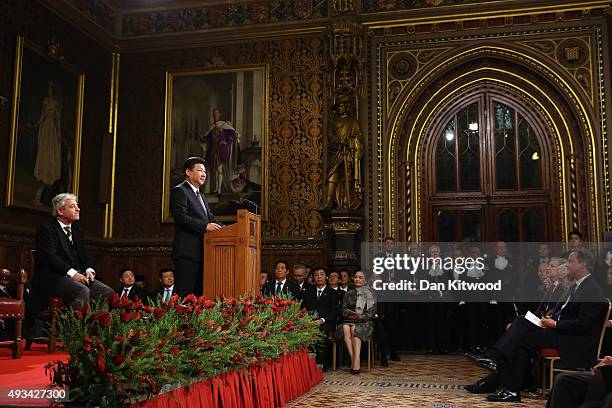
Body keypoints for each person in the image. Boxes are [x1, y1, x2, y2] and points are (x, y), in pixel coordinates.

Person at [466, 249, 607, 402]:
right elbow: (567, 313)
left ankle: (501, 368)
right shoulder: (579, 285)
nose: (567, 264)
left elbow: (584, 324)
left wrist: (556, 324)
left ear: (583, 264)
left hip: (574, 341)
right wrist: (551, 319)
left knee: (521, 340)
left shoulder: (591, 288)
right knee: (521, 325)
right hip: (562, 332)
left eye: (571, 261)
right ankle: (509, 387)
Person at [32, 193, 114, 313]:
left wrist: (88, 270)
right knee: (82, 290)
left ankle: (97, 328)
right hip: (54, 278)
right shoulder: (46, 229)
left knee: (106, 292)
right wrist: (72, 273)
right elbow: (50, 257)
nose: (78, 209)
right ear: (60, 211)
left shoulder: (77, 231)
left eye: (77, 206)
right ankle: (78, 330)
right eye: (72, 206)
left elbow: (85, 256)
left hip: (77, 277)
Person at [170, 157, 222, 297]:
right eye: (200, 170)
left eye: (205, 171)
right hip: (187, 253)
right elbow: (181, 218)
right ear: (188, 172)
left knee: (199, 297)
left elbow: (211, 218)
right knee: (185, 296)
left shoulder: (202, 196)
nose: (204, 174)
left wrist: (230, 229)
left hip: (203, 253)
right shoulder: (180, 191)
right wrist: (205, 226)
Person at [323, 94, 363, 209]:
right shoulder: (333, 122)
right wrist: (338, 141)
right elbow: (329, 133)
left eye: (342, 106)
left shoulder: (352, 122)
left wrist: (351, 141)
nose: (340, 108)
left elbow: (358, 135)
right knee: (332, 174)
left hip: (347, 152)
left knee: (348, 175)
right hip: (336, 151)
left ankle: (346, 200)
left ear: (346, 107)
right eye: (339, 106)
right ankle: (329, 200)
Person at [337, 270, 376, 374]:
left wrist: (361, 316)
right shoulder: (348, 293)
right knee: (345, 327)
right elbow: (343, 309)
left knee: (354, 328)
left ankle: (355, 362)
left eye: (360, 277)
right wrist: (349, 314)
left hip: (364, 322)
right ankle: (355, 359)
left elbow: (372, 311)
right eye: (355, 277)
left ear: (365, 281)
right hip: (350, 320)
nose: (357, 279)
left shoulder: (370, 293)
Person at [303, 268, 340, 371]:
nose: (319, 277)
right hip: (310, 321)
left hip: (326, 322)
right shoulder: (308, 292)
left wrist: (322, 320)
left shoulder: (332, 292)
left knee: (321, 331)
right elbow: (304, 308)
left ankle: (320, 363)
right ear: (313, 278)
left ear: (326, 277)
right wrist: (308, 320)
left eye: (321, 274)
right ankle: (308, 364)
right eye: (316, 275)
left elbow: (335, 311)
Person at [204, 108, 243, 195]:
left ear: (219, 114)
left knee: (219, 169)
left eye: (217, 113)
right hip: (214, 150)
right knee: (215, 169)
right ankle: (217, 188)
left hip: (222, 150)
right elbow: (207, 137)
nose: (215, 115)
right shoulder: (211, 126)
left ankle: (219, 190)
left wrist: (226, 141)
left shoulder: (224, 124)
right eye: (214, 114)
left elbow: (233, 134)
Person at [34, 82, 62, 187]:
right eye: (48, 89)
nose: (49, 91)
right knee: (43, 148)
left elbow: (57, 120)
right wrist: (37, 125)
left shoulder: (55, 103)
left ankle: (49, 175)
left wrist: (59, 133)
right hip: (45, 126)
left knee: (50, 150)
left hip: (51, 128)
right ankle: (41, 173)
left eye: (50, 90)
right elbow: (43, 115)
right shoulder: (46, 101)